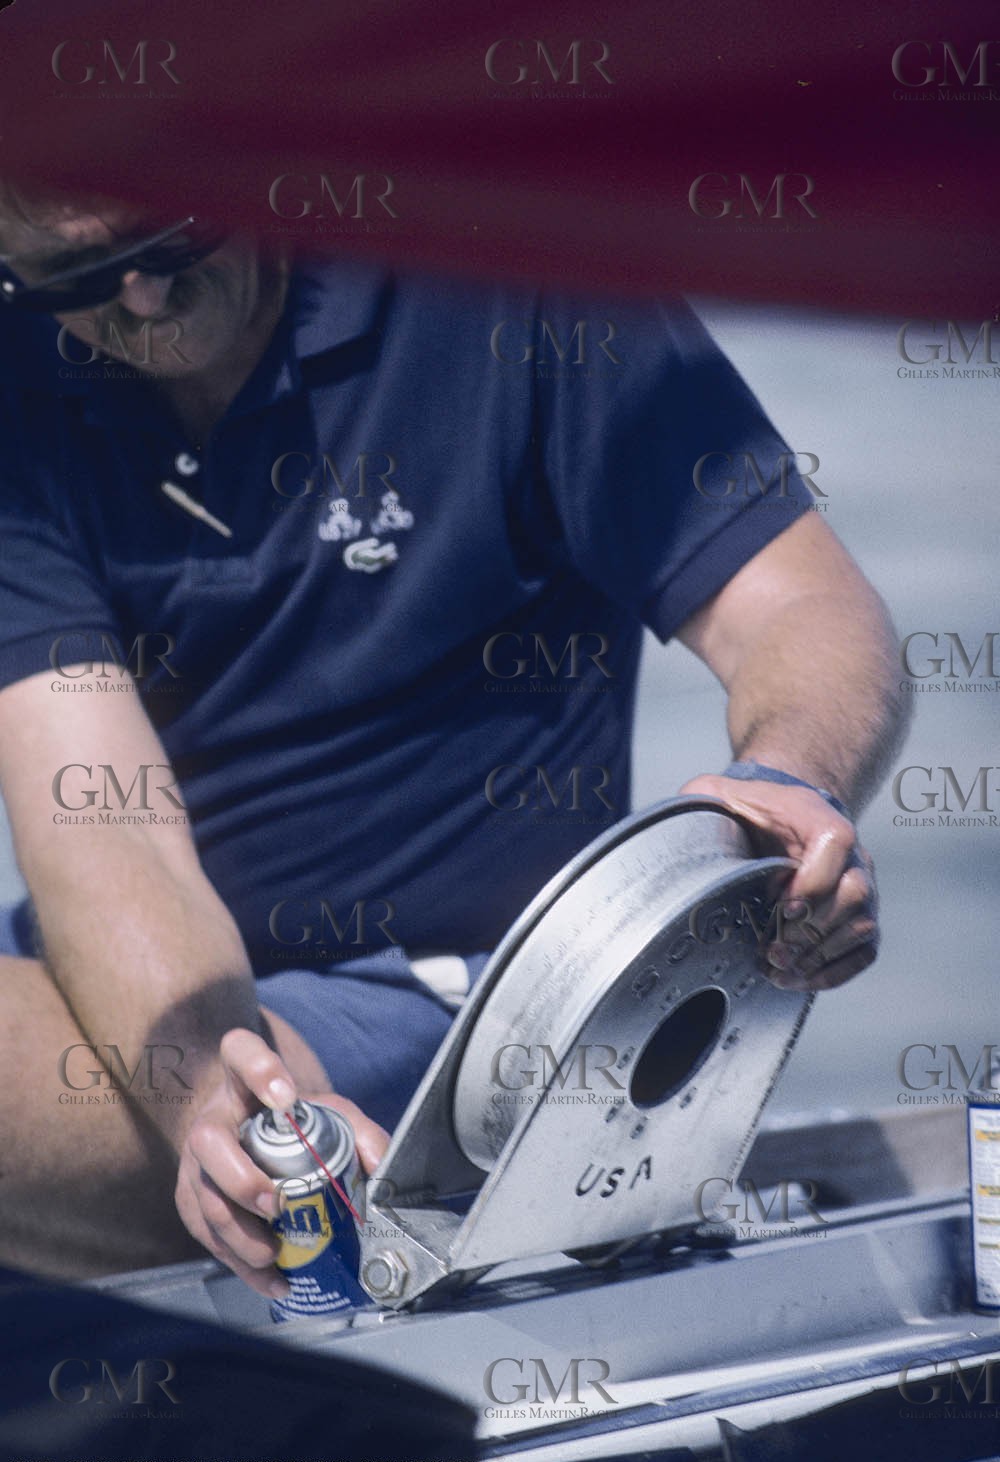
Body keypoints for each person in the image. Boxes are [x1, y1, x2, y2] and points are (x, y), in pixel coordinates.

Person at [0, 190, 906, 1294]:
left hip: (464, 1015)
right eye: (77, 281)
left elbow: (798, 609)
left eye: (175, 240)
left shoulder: (513, 277)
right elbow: (101, 825)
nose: (142, 296)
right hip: (140, 996)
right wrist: (209, 1093)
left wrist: (784, 788)